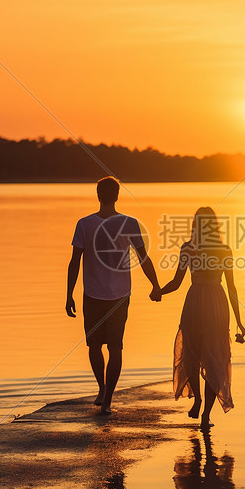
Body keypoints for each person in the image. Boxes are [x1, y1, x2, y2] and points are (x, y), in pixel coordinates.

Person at [66, 177, 161, 415]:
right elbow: (144, 258)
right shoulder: (129, 223)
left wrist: (69, 295)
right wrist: (155, 286)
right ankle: (106, 397)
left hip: (94, 296)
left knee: (95, 346)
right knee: (115, 348)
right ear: (117, 196)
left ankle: (102, 391)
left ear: (98, 196)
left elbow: (74, 263)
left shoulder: (84, 224)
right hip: (117, 296)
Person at [160, 207, 245, 430]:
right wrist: (239, 321)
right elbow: (232, 288)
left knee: (192, 353)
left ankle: (197, 398)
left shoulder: (189, 248)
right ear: (215, 226)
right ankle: (206, 415)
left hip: (195, 301)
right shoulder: (224, 250)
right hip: (217, 304)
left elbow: (177, 282)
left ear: (196, 226)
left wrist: (159, 291)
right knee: (213, 359)